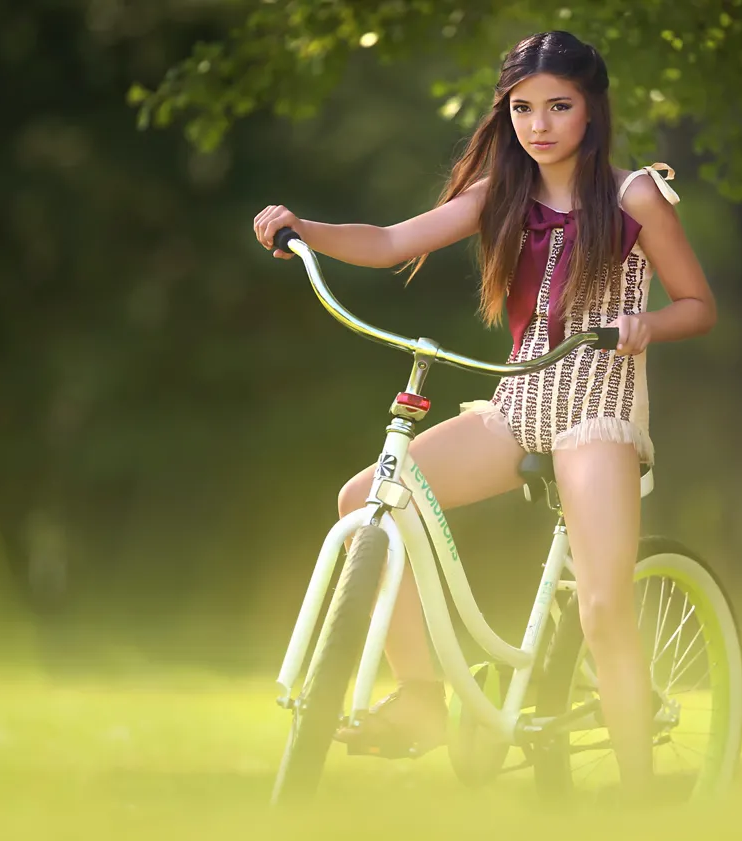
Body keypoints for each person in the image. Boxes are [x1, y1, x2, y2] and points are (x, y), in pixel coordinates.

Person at [253, 30, 715, 797]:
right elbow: (393, 239)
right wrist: (306, 233)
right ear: (506, 114)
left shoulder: (634, 196)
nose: (539, 125)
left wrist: (648, 325)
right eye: (524, 109)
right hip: (517, 400)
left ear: (591, 112)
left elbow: (699, 306)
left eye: (559, 107)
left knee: (603, 608)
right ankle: (423, 700)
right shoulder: (502, 196)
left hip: (596, 411)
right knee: (369, 496)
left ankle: (639, 799)